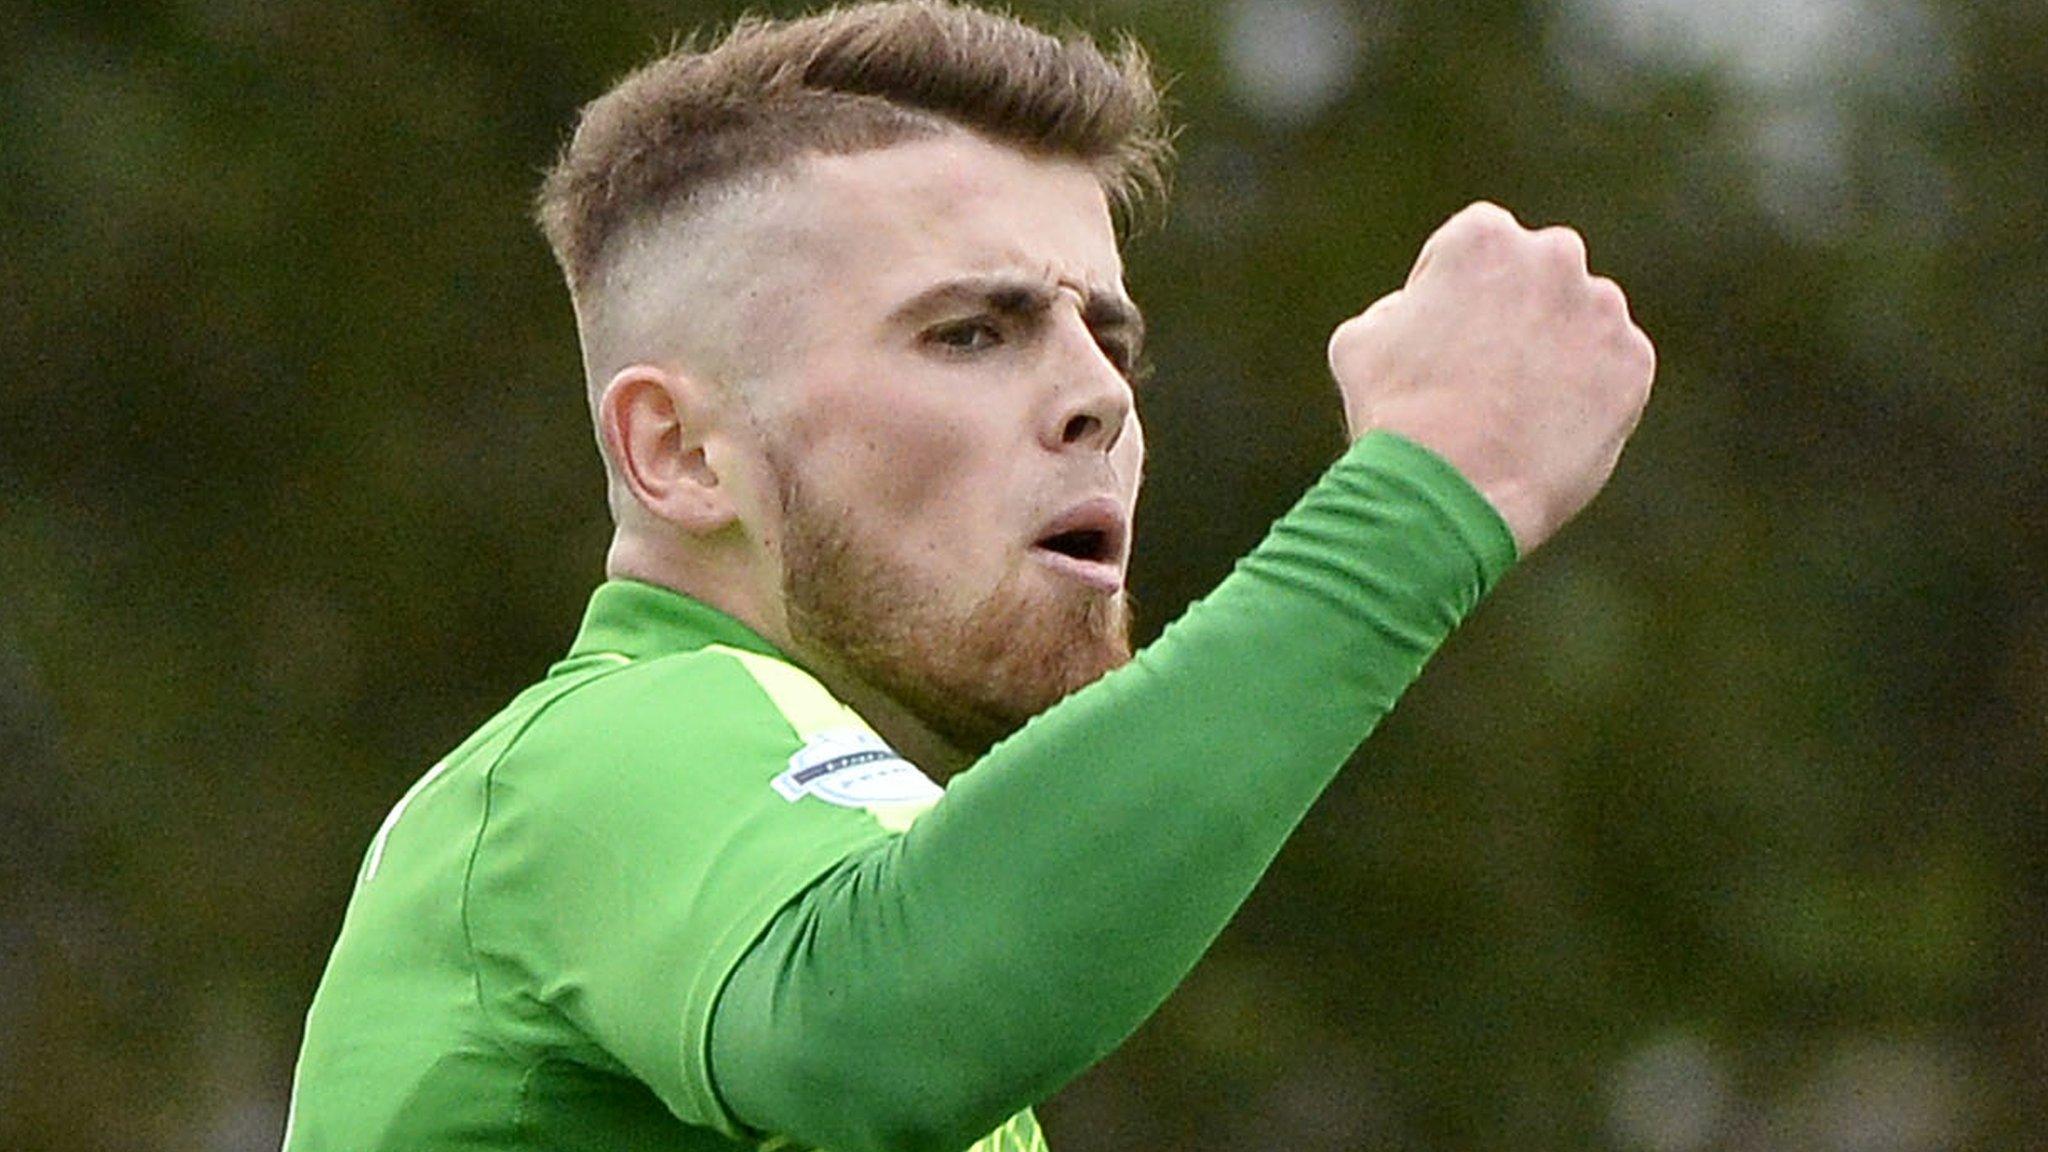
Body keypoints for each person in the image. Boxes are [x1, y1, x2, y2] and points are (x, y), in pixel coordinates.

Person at [282, 2, 1654, 1150]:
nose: (1098, 399)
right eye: (970, 334)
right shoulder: (607, 754)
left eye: (1109, 339)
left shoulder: (897, 917)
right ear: (681, 452)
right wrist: (1419, 501)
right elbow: (866, 1027)